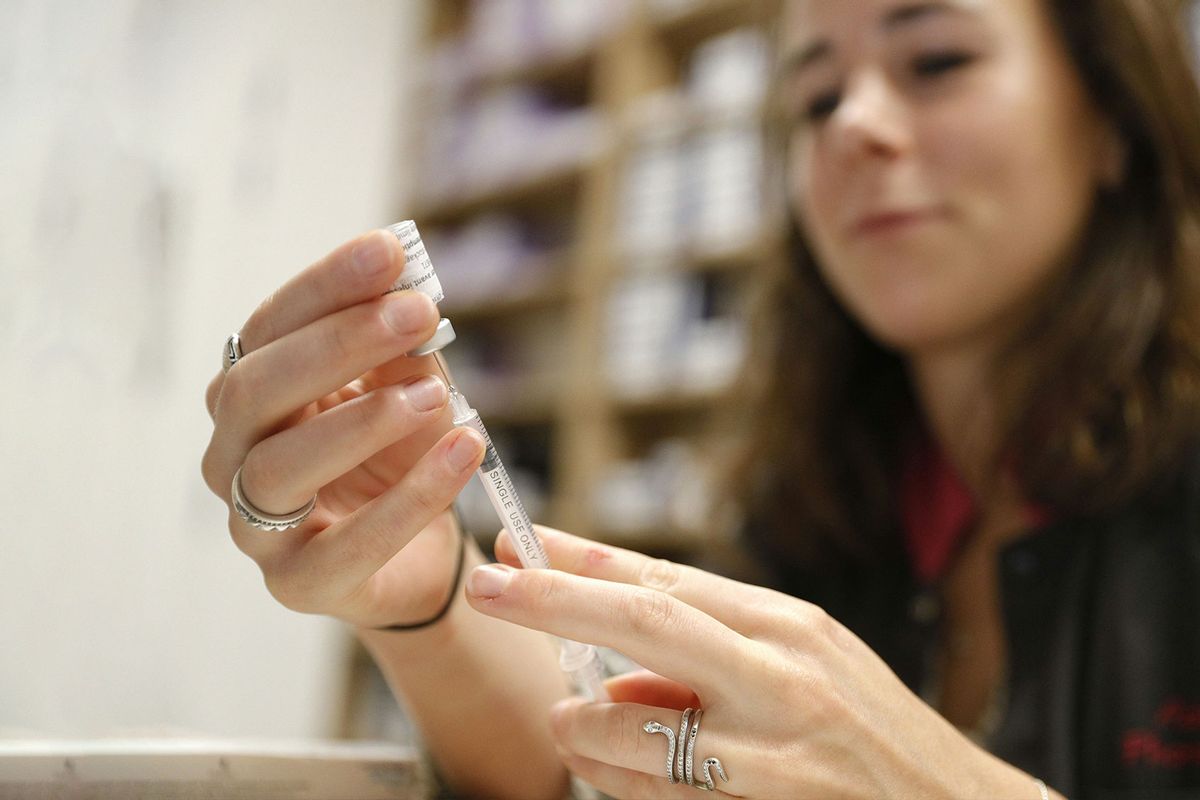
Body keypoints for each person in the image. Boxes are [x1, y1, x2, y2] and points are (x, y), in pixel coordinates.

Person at [201, 0, 1200, 797]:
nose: (854, 124)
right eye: (814, 99)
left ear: (1114, 118)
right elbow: (597, 757)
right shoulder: (831, 495)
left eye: (935, 60)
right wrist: (420, 589)